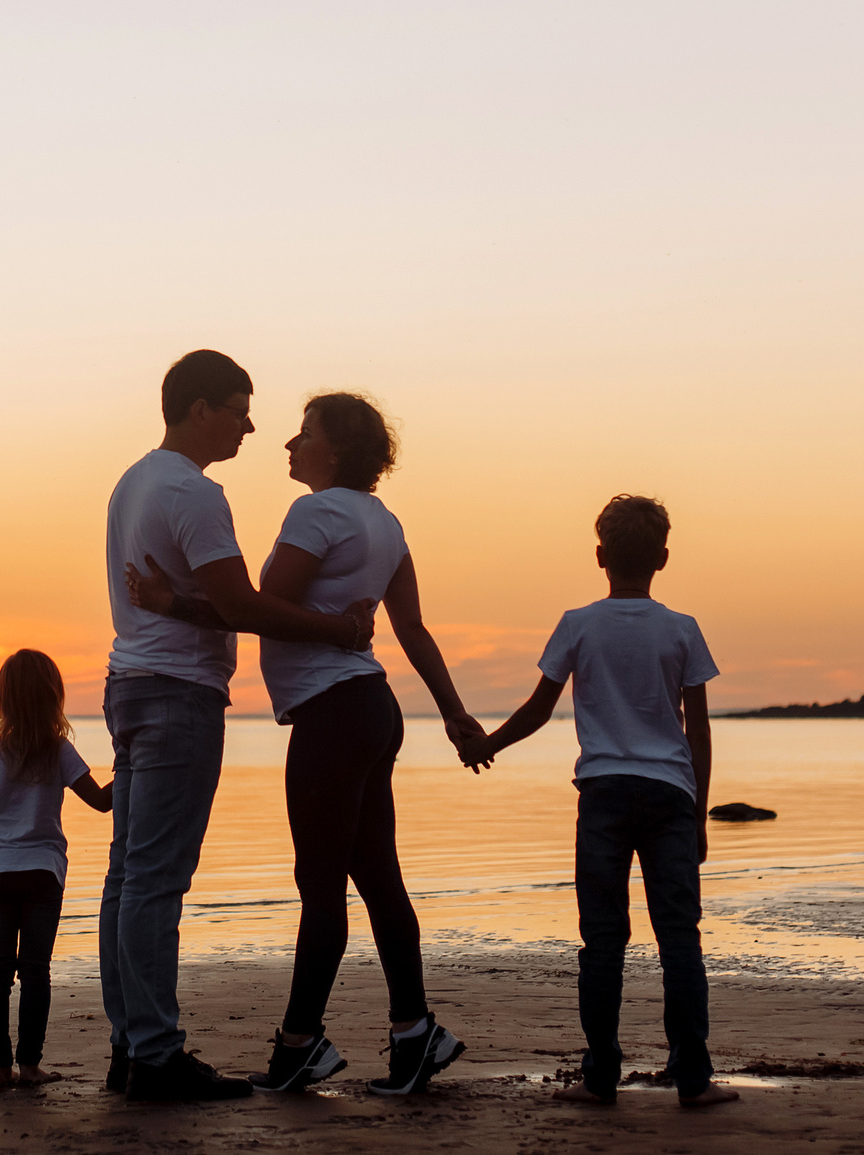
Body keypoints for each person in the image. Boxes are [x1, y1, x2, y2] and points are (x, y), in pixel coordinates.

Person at [130, 392, 482, 1095]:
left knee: (321, 887)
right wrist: (454, 714)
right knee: (378, 878)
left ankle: (299, 1044)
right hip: (373, 709)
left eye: (305, 433)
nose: (289, 443)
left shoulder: (316, 512)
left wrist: (174, 605)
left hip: (332, 710)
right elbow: (412, 629)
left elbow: (257, 609)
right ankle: (413, 1033)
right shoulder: (384, 520)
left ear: (338, 450)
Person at [98, 350, 378, 1104]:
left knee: (128, 874)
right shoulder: (194, 492)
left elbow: (215, 603)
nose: (251, 424)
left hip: (127, 685)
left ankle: (131, 1043)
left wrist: (172, 606)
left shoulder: (133, 482)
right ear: (199, 410)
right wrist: (341, 631)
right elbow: (244, 607)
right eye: (238, 407)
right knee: (155, 878)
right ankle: (155, 1053)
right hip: (176, 694)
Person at [466, 495, 738, 1109]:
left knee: (603, 939)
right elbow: (698, 730)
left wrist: (490, 743)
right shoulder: (681, 628)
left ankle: (600, 1076)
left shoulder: (578, 623)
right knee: (679, 940)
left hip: (605, 793)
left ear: (599, 557)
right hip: (670, 794)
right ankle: (692, 1077)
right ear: (663, 558)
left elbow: (540, 709)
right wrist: (699, 814)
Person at [0, 649, 113, 1090]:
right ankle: (28, 1065)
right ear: (53, 697)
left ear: (3, 698)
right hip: (43, 872)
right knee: (35, 971)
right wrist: (133, 761)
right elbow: (102, 802)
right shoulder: (59, 751)